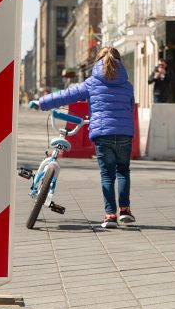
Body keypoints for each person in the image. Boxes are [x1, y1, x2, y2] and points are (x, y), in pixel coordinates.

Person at [31, 46, 136, 228]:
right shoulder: (127, 85)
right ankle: (125, 211)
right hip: (124, 132)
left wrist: (41, 103)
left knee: (107, 175)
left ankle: (110, 215)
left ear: (98, 61)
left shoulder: (93, 82)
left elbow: (67, 95)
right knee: (123, 171)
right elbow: (130, 108)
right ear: (119, 63)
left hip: (103, 134)